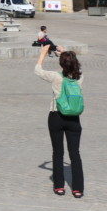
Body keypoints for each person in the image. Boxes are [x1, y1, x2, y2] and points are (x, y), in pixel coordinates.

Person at [35, 44, 84, 198]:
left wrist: (43, 54)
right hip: (74, 119)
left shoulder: (56, 77)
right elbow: (73, 65)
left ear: (61, 64)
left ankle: (59, 187)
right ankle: (77, 189)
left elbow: (38, 71)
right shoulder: (80, 78)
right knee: (75, 154)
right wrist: (64, 53)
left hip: (56, 116)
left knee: (58, 153)